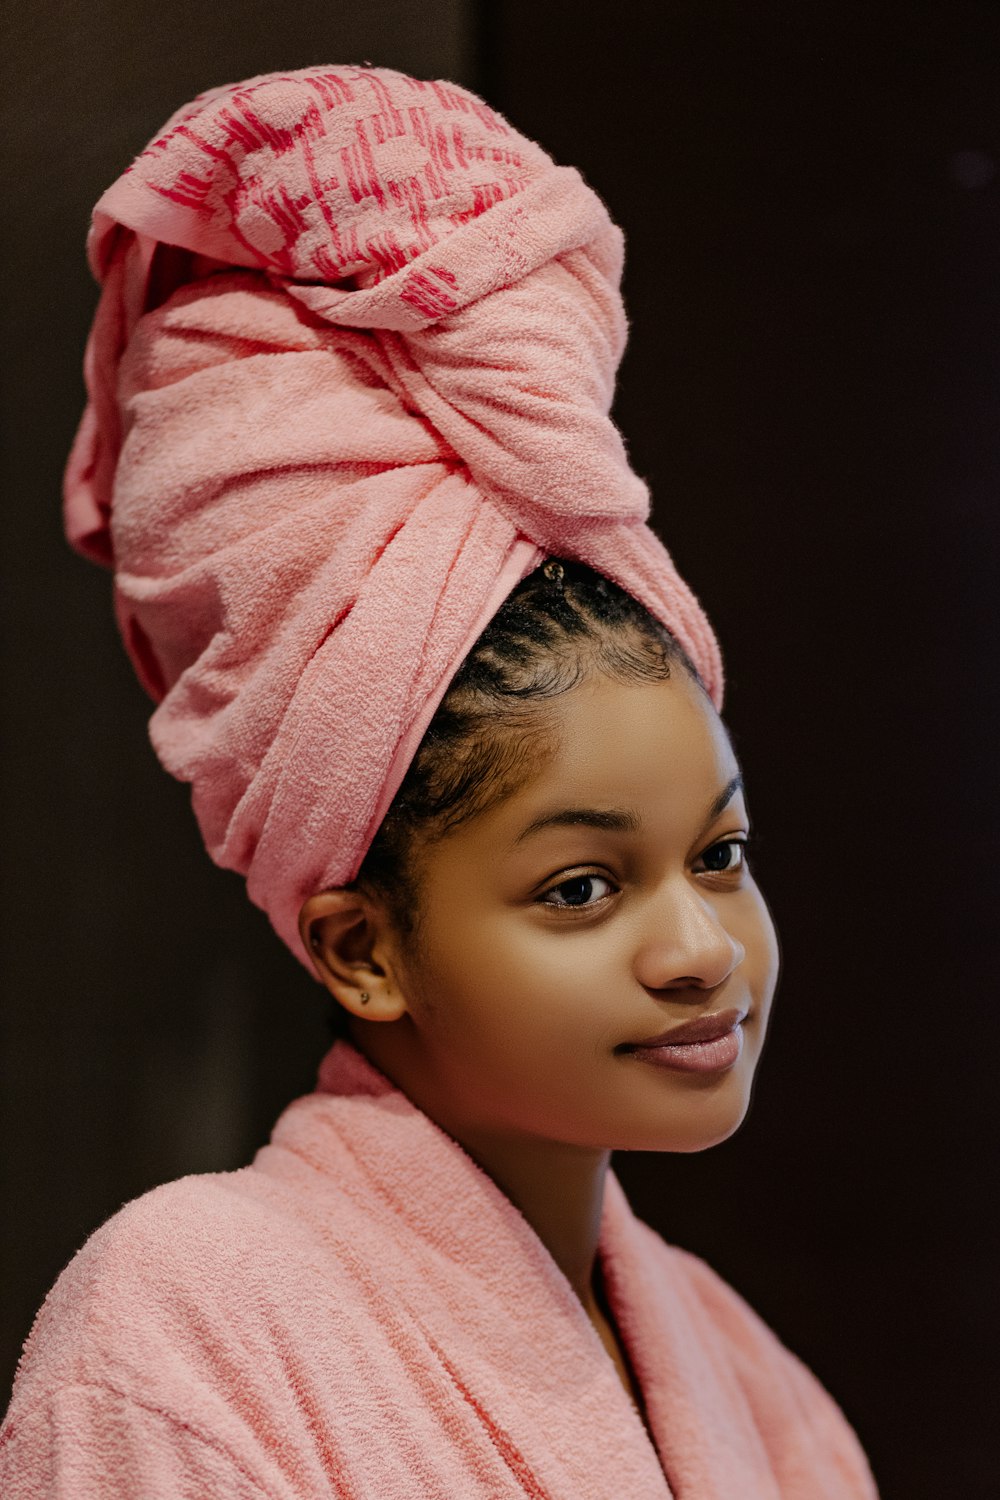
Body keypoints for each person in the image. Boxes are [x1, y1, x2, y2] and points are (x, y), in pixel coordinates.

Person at [0, 64, 879, 1497]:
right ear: (362, 946)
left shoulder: (753, 1385)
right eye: (584, 885)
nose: (703, 950)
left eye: (719, 855)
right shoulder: (180, 1339)